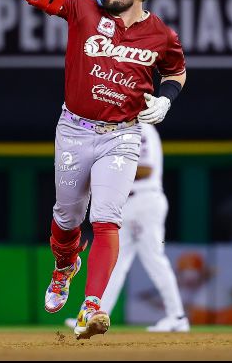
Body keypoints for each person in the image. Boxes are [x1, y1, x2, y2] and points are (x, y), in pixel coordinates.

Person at [0, 0, 187, 339]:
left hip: (121, 134)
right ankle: (65, 266)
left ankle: (92, 307)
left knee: (106, 219)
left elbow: (176, 71)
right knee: (67, 219)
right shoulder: (84, 10)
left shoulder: (161, 35)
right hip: (74, 130)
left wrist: (166, 99)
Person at [63, 123, 190, 332]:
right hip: (125, 204)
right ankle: (95, 315)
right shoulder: (121, 129)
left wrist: (107, 170)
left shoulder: (142, 128)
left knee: (154, 259)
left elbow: (146, 169)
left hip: (144, 200)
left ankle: (177, 317)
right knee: (115, 263)